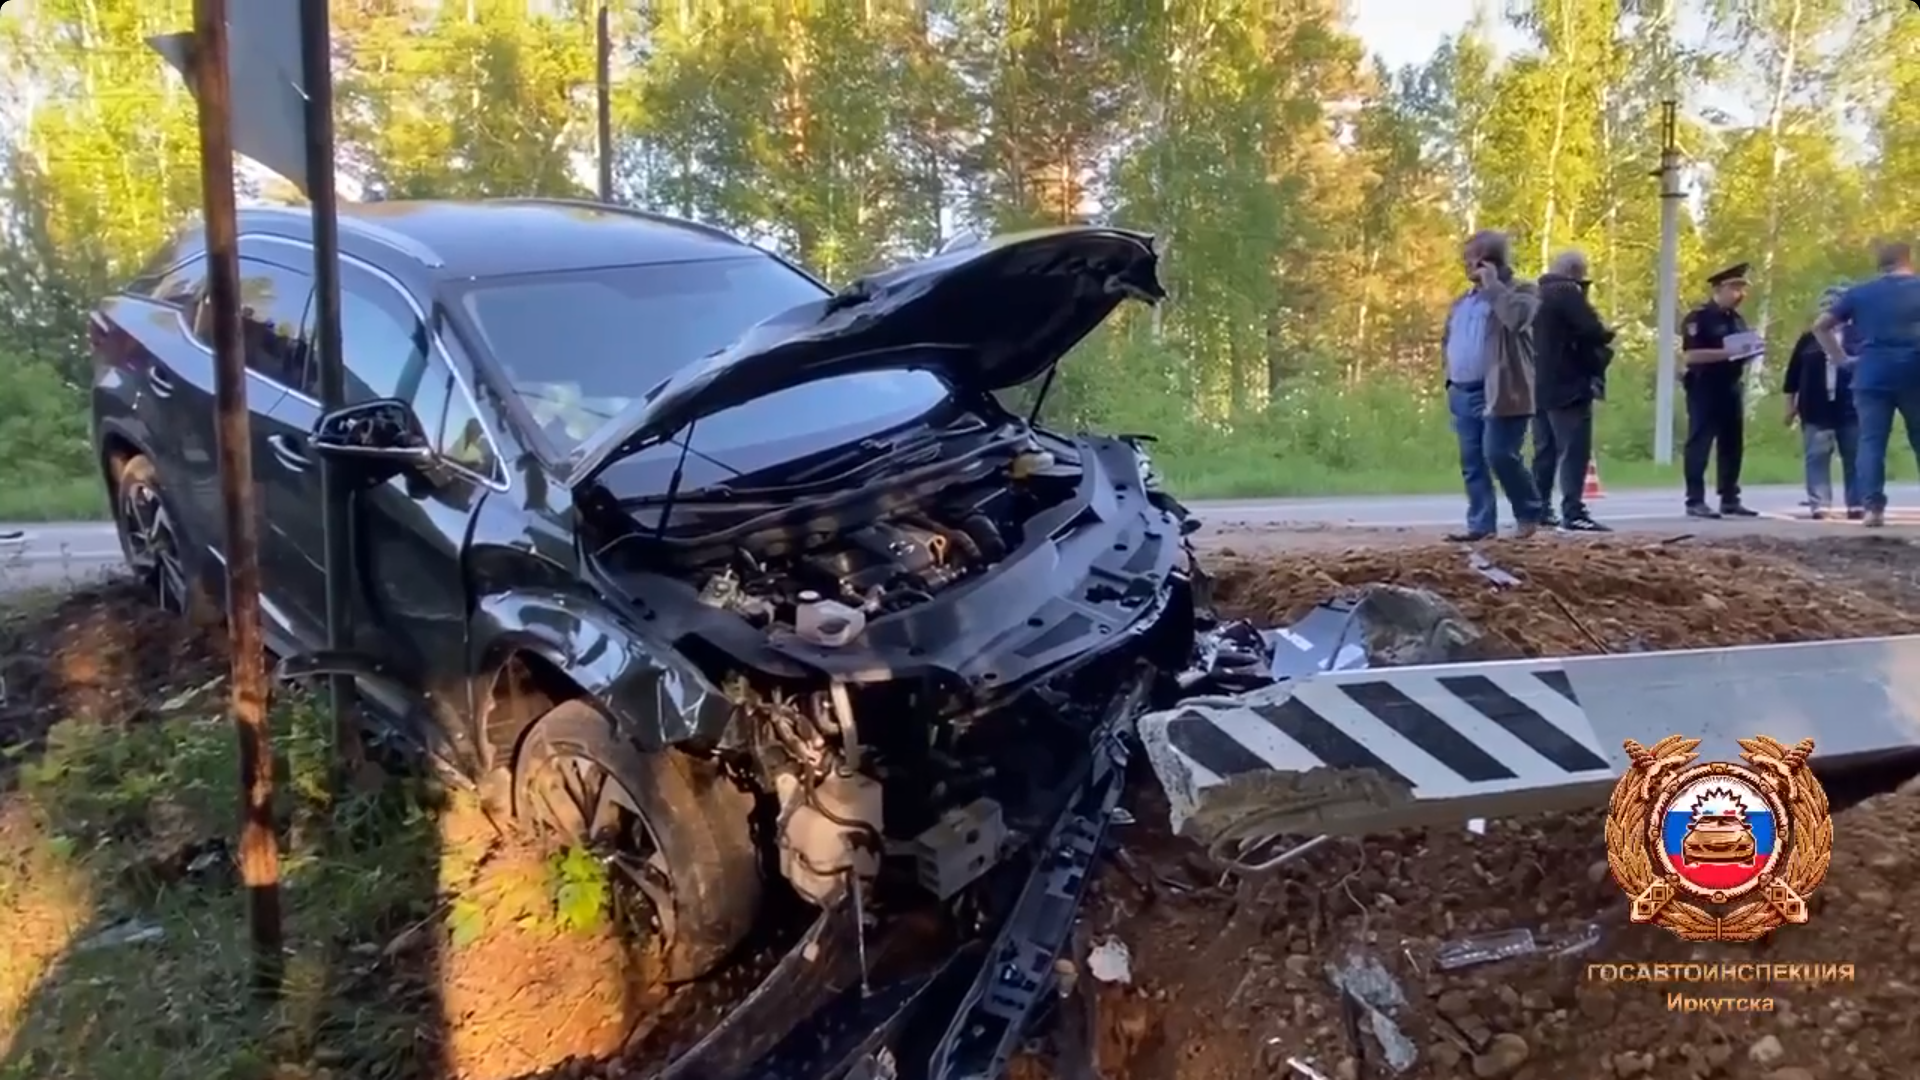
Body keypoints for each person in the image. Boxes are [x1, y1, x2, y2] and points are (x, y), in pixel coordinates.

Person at [1441, 229, 1545, 541]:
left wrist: (1493, 287)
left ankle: (1529, 511)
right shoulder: (1463, 301)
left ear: (1489, 261)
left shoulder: (1523, 292)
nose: (1465, 265)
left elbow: (1516, 319)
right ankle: (1481, 525)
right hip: (1462, 389)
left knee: (1499, 454)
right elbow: (1450, 338)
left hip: (1502, 391)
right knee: (1472, 462)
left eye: (1470, 259)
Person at [1813, 239, 1920, 527]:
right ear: (1908, 260)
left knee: (1871, 442)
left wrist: (1841, 359)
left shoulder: (1859, 293)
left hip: (1871, 374)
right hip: (1914, 373)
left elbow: (1820, 326)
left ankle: (1872, 508)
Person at [1528, 249, 1615, 532]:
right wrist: (1607, 335)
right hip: (1568, 384)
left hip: (1537, 384)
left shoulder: (1533, 296)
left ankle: (1539, 508)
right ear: (1576, 272)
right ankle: (1573, 511)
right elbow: (1590, 329)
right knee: (1573, 450)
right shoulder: (1567, 293)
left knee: (1544, 451)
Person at [1680, 262, 1760, 518]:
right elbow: (1691, 356)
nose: (1740, 294)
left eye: (1742, 288)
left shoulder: (1737, 320)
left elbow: (1740, 350)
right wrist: (1728, 353)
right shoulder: (1699, 318)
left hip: (1730, 385)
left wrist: (1750, 351)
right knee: (1700, 442)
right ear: (1719, 289)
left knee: (1732, 444)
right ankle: (1695, 500)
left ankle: (1729, 497)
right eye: (1735, 288)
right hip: (1705, 386)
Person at [1783, 286, 1862, 520]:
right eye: (1825, 307)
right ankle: (1820, 504)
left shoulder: (1858, 335)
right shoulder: (1809, 338)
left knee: (1855, 455)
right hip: (1815, 405)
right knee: (1817, 455)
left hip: (1851, 405)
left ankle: (1856, 503)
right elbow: (1792, 375)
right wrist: (1789, 406)